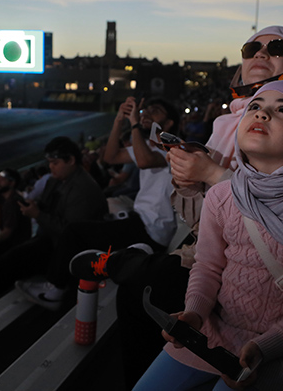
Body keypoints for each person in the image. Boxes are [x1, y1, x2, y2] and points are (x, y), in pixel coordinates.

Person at [69, 26, 283, 387]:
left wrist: (213, 173)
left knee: (146, 288)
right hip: (216, 296)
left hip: (274, 324)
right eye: (251, 48)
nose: (260, 54)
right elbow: (212, 234)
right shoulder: (231, 121)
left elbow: (282, 220)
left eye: (276, 47)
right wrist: (189, 184)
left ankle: (122, 262)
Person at [132, 81, 283, 391]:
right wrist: (194, 314)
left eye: (281, 110)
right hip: (215, 330)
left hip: (280, 348)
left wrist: (265, 347)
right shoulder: (222, 195)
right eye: (255, 106)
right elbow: (207, 266)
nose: (262, 114)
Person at [15, 96, 179, 310]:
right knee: (84, 235)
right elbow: (110, 157)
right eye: (146, 109)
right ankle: (66, 286)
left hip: (151, 230)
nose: (146, 112)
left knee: (75, 232)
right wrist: (118, 121)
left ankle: (55, 289)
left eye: (155, 110)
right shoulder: (149, 146)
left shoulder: (172, 148)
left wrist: (135, 123)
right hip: (142, 222)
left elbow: (145, 161)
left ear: (168, 124)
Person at [0, 136, 108, 305]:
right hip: (50, 240)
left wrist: (37, 214)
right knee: (12, 257)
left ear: (70, 160)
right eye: (50, 163)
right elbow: (49, 209)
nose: (51, 168)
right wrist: (36, 207)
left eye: (55, 163)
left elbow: (70, 233)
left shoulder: (82, 189)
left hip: (61, 251)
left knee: (14, 258)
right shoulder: (60, 180)